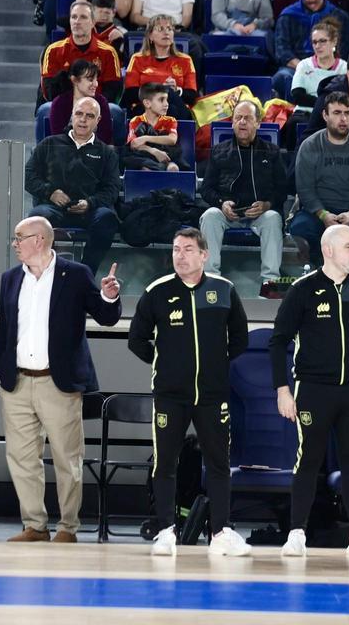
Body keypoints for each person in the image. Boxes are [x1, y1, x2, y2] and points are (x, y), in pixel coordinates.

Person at [270, 223, 349, 559]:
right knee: (308, 460)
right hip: (313, 389)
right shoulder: (303, 289)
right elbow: (278, 339)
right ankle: (296, 534)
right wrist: (283, 389)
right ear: (328, 251)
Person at [0, 215, 122, 543]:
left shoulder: (76, 275)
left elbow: (106, 317)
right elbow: (7, 331)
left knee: (68, 458)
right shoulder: (10, 279)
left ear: (39, 240)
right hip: (17, 382)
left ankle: (68, 527)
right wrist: (0, 374)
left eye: (18, 238)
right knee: (22, 457)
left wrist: (109, 296)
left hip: (58, 382)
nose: (15, 245)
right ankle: (34, 525)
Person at [129, 228, 251, 556]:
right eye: (175, 249)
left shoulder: (224, 290)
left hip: (213, 395)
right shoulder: (157, 291)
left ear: (204, 255)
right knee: (166, 463)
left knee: (218, 464)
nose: (179, 255)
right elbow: (136, 339)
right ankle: (166, 530)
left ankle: (220, 532)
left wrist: (217, 365)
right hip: (171, 394)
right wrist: (164, 362)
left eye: (187, 249)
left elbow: (240, 338)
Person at [199, 100, 288, 298]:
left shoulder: (271, 152)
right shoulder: (220, 151)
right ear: (232, 123)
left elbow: (283, 190)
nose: (242, 122)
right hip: (228, 213)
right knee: (210, 215)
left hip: (260, 214)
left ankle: (270, 282)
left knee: (273, 218)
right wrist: (221, 203)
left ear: (258, 123)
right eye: (238, 118)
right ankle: (211, 278)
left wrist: (267, 204)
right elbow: (206, 189)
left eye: (248, 118)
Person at [24, 97, 121, 273]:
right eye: (79, 114)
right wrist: (50, 192)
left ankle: (85, 272)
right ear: (72, 116)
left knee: (107, 218)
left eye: (89, 116)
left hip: (90, 210)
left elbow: (112, 189)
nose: (83, 119)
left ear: (98, 120)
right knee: (38, 218)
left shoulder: (107, 153)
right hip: (53, 207)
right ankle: (45, 270)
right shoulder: (49, 144)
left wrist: (90, 203)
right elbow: (29, 176)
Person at [290, 91, 349, 264]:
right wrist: (323, 214)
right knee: (300, 228)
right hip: (318, 212)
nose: (343, 119)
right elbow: (304, 188)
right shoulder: (310, 145)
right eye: (337, 113)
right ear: (325, 115)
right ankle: (321, 267)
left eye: (347, 113)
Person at [40, 1, 123, 104]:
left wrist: (91, 105)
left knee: (113, 110)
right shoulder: (53, 50)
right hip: (62, 105)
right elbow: (48, 91)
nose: (77, 21)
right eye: (73, 17)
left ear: (93, 22)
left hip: (98, 106)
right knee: (46, 108)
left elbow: (112, 90)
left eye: (83, 17)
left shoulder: (108, 52)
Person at [122, 15, 197, 118]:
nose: (166, 32)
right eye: (160, 29)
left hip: (177, 109)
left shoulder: (186, 60)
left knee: (171, 103)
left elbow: (192, 96)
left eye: (169, 29)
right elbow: (130, 94)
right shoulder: (137, 59)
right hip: (145, 109)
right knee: (166, 94)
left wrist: (177, 90)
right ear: (150, 36)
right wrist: (159, 91)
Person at [46, 59, 116, 144]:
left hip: (96, 151)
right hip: (66, 152)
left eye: (96, 80)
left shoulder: (101, 102)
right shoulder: (60, 103)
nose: (96, 84)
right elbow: (58, 138)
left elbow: (105, 138)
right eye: (90, 80)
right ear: (74, 80)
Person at [121, 83, 183, 172]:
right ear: (147, 103)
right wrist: (153, 151)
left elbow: (172, 140)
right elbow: (134, 144)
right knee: (144, 167)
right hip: (145, 156)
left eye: (167, 100)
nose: (166, 104)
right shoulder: (136, 121)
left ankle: (166, 167)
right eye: (161, 100)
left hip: (167, 155)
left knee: (173, 167)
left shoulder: (170, 120)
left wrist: (146, 138)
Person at [290, 20, 347, 108]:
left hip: (335, 117)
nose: (317, 46)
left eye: (322, 41)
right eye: (314, 42)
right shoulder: (304, 65)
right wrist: (326, 105)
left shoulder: (344, 67)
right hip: (304, 113)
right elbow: (297, 96)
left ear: (334, 41)